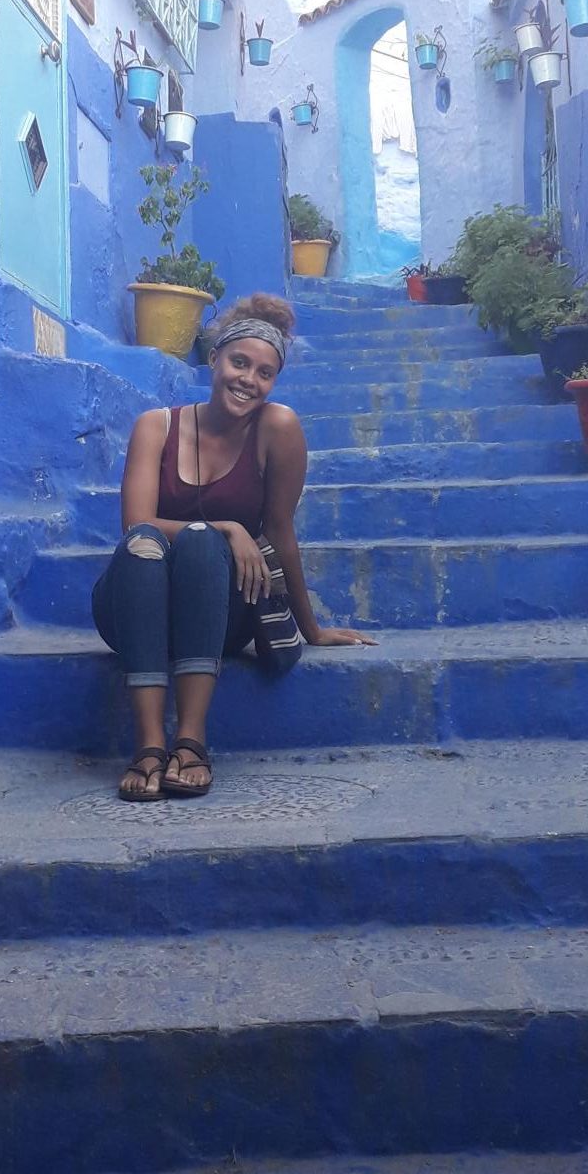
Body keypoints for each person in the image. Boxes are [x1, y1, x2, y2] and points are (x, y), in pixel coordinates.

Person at [91, 292, 376, 801]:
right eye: (239, 363)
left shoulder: (277, 429)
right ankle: (150, 744)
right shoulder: (156, 426)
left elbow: (282, 531)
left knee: (201, 545)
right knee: (149, 544)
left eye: (264, 373)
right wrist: (226, 527)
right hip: (138, 605)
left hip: (220, 614)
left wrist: (310, 629)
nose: (248, 379)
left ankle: (191, 741)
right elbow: (135, 524)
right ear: (214, 359)